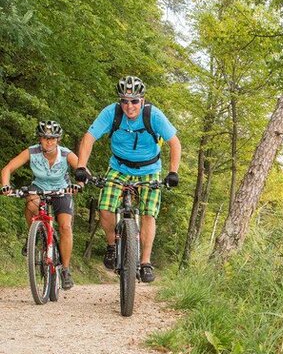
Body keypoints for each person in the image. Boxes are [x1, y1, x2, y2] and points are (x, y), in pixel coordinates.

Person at [74, 75, 181, 283]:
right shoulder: (111, 113)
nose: (129, 106)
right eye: (124, 100)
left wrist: (173, 172)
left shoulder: (153, 115)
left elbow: (174, 143)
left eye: (134, 101)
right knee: (105, 206)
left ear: (142, 99)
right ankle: (112, 246)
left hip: (149, 168)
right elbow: (89, 138)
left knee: (149, 213)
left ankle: (145, 262)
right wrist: (81, 166)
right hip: (119, 167)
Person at [1, 121, 81, 289]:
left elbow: (82, 170)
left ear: (58, 139)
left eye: (52, 138)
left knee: (65, 226)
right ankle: (34, 235)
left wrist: (78, 185)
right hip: (39, 189)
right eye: (45, 138)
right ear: (40, 139)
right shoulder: (32, 152)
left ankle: (65, 270)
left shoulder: (66, 154)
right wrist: (6, 185)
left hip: (62, 190)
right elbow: (7, 168)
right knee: (30, 199)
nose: (49, 142)